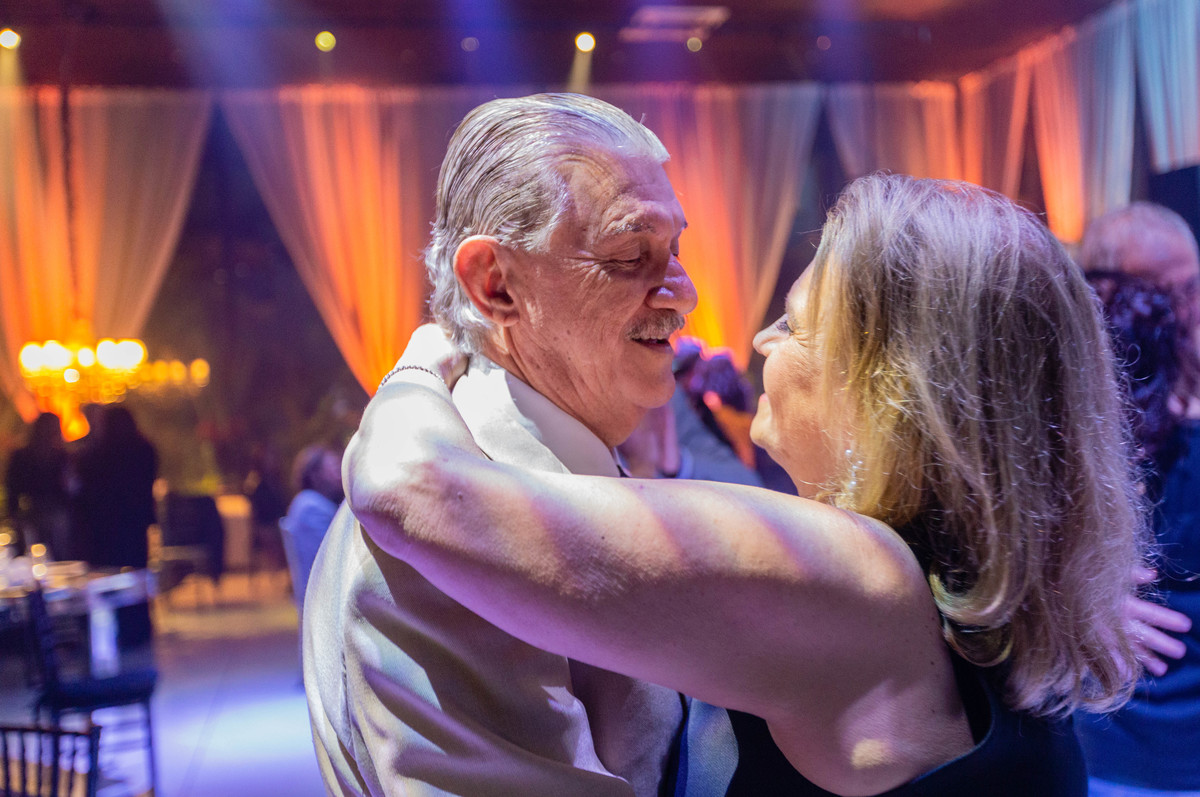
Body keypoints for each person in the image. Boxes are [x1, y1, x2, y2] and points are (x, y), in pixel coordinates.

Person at [344, 174, 1152, 796]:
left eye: (796, 324)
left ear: (894, 387)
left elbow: (414, 489)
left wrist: (432, 350)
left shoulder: (855, 578)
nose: (763, 340)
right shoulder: (951, 591)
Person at [303, 93, 698, 796]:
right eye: (632, 254)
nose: (682, 293)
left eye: (676, 251)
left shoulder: (536, 464)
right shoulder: (438, 536)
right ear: (495, 285)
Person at [1075, 219, 1200, 794]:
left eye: (1193, 287)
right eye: (1166, 293)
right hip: (1113, 744)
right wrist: (1072, 586)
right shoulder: (1069, 420)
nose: (1186, 307)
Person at [74, 404, 159, 649]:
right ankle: (139, 629)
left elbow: (85, 492)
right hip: (133, 523)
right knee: (136, 575)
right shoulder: (144, 450)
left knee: (109, 579)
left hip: (105, 527)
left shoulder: (96, 455)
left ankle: (115, 629)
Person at [280, 443, 343, 623]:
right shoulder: (311, 507)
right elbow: (333, 559)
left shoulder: (306, 503)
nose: (340, 474)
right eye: (333, 468)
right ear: (315, 475)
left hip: (321, 594)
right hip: (323, 599)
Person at [3, 412, 72, 558]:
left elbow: (12, 486)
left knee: (34, 553)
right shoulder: (60, 456)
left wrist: (14, 512)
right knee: (56, 554)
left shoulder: (23, 455)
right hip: (45, 512)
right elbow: (68, 487)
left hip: (35, 511)